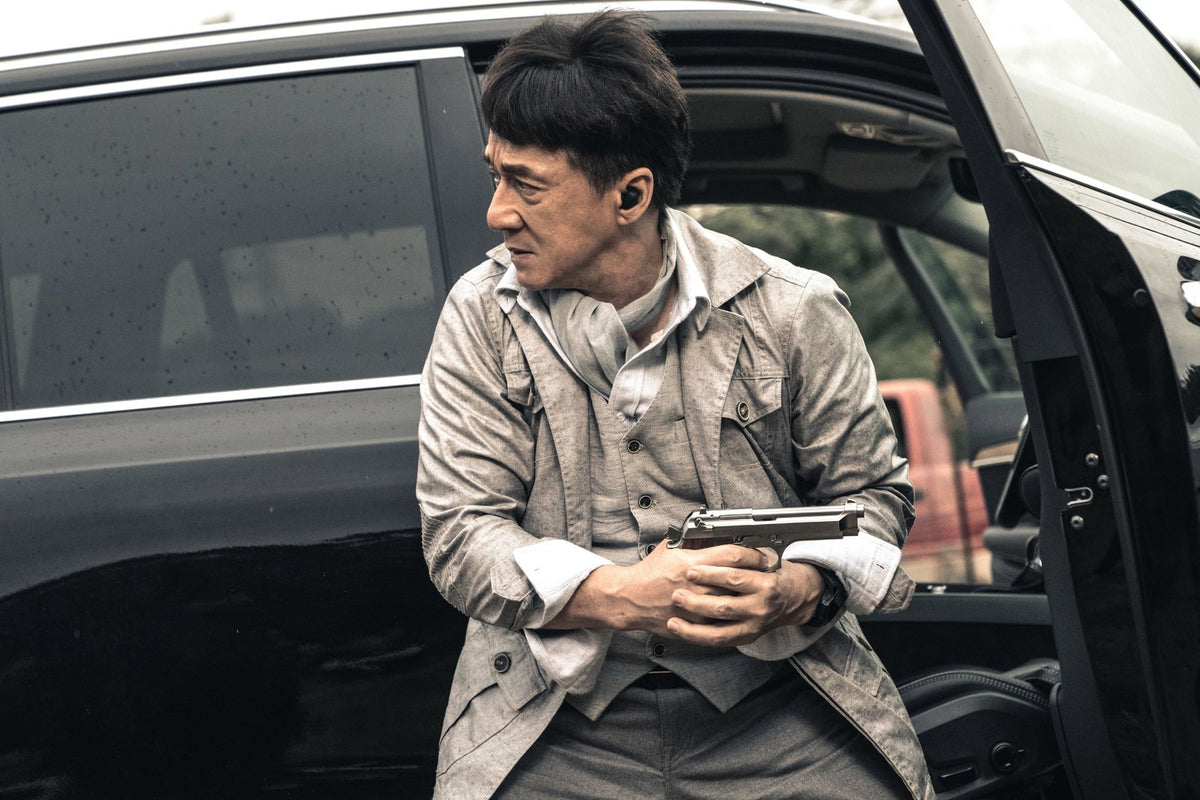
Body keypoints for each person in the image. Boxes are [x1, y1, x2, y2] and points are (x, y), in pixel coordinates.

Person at [417, 10, 933, 800]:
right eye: (496, 175)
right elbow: (460, 534)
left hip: (783, 706)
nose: (498, 212)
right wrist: (622, 596)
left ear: (631, 194)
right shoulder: (480, 316)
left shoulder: (793, 308)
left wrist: (798, 590)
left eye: (527, 185)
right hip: (556, 721)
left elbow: (876, 499)